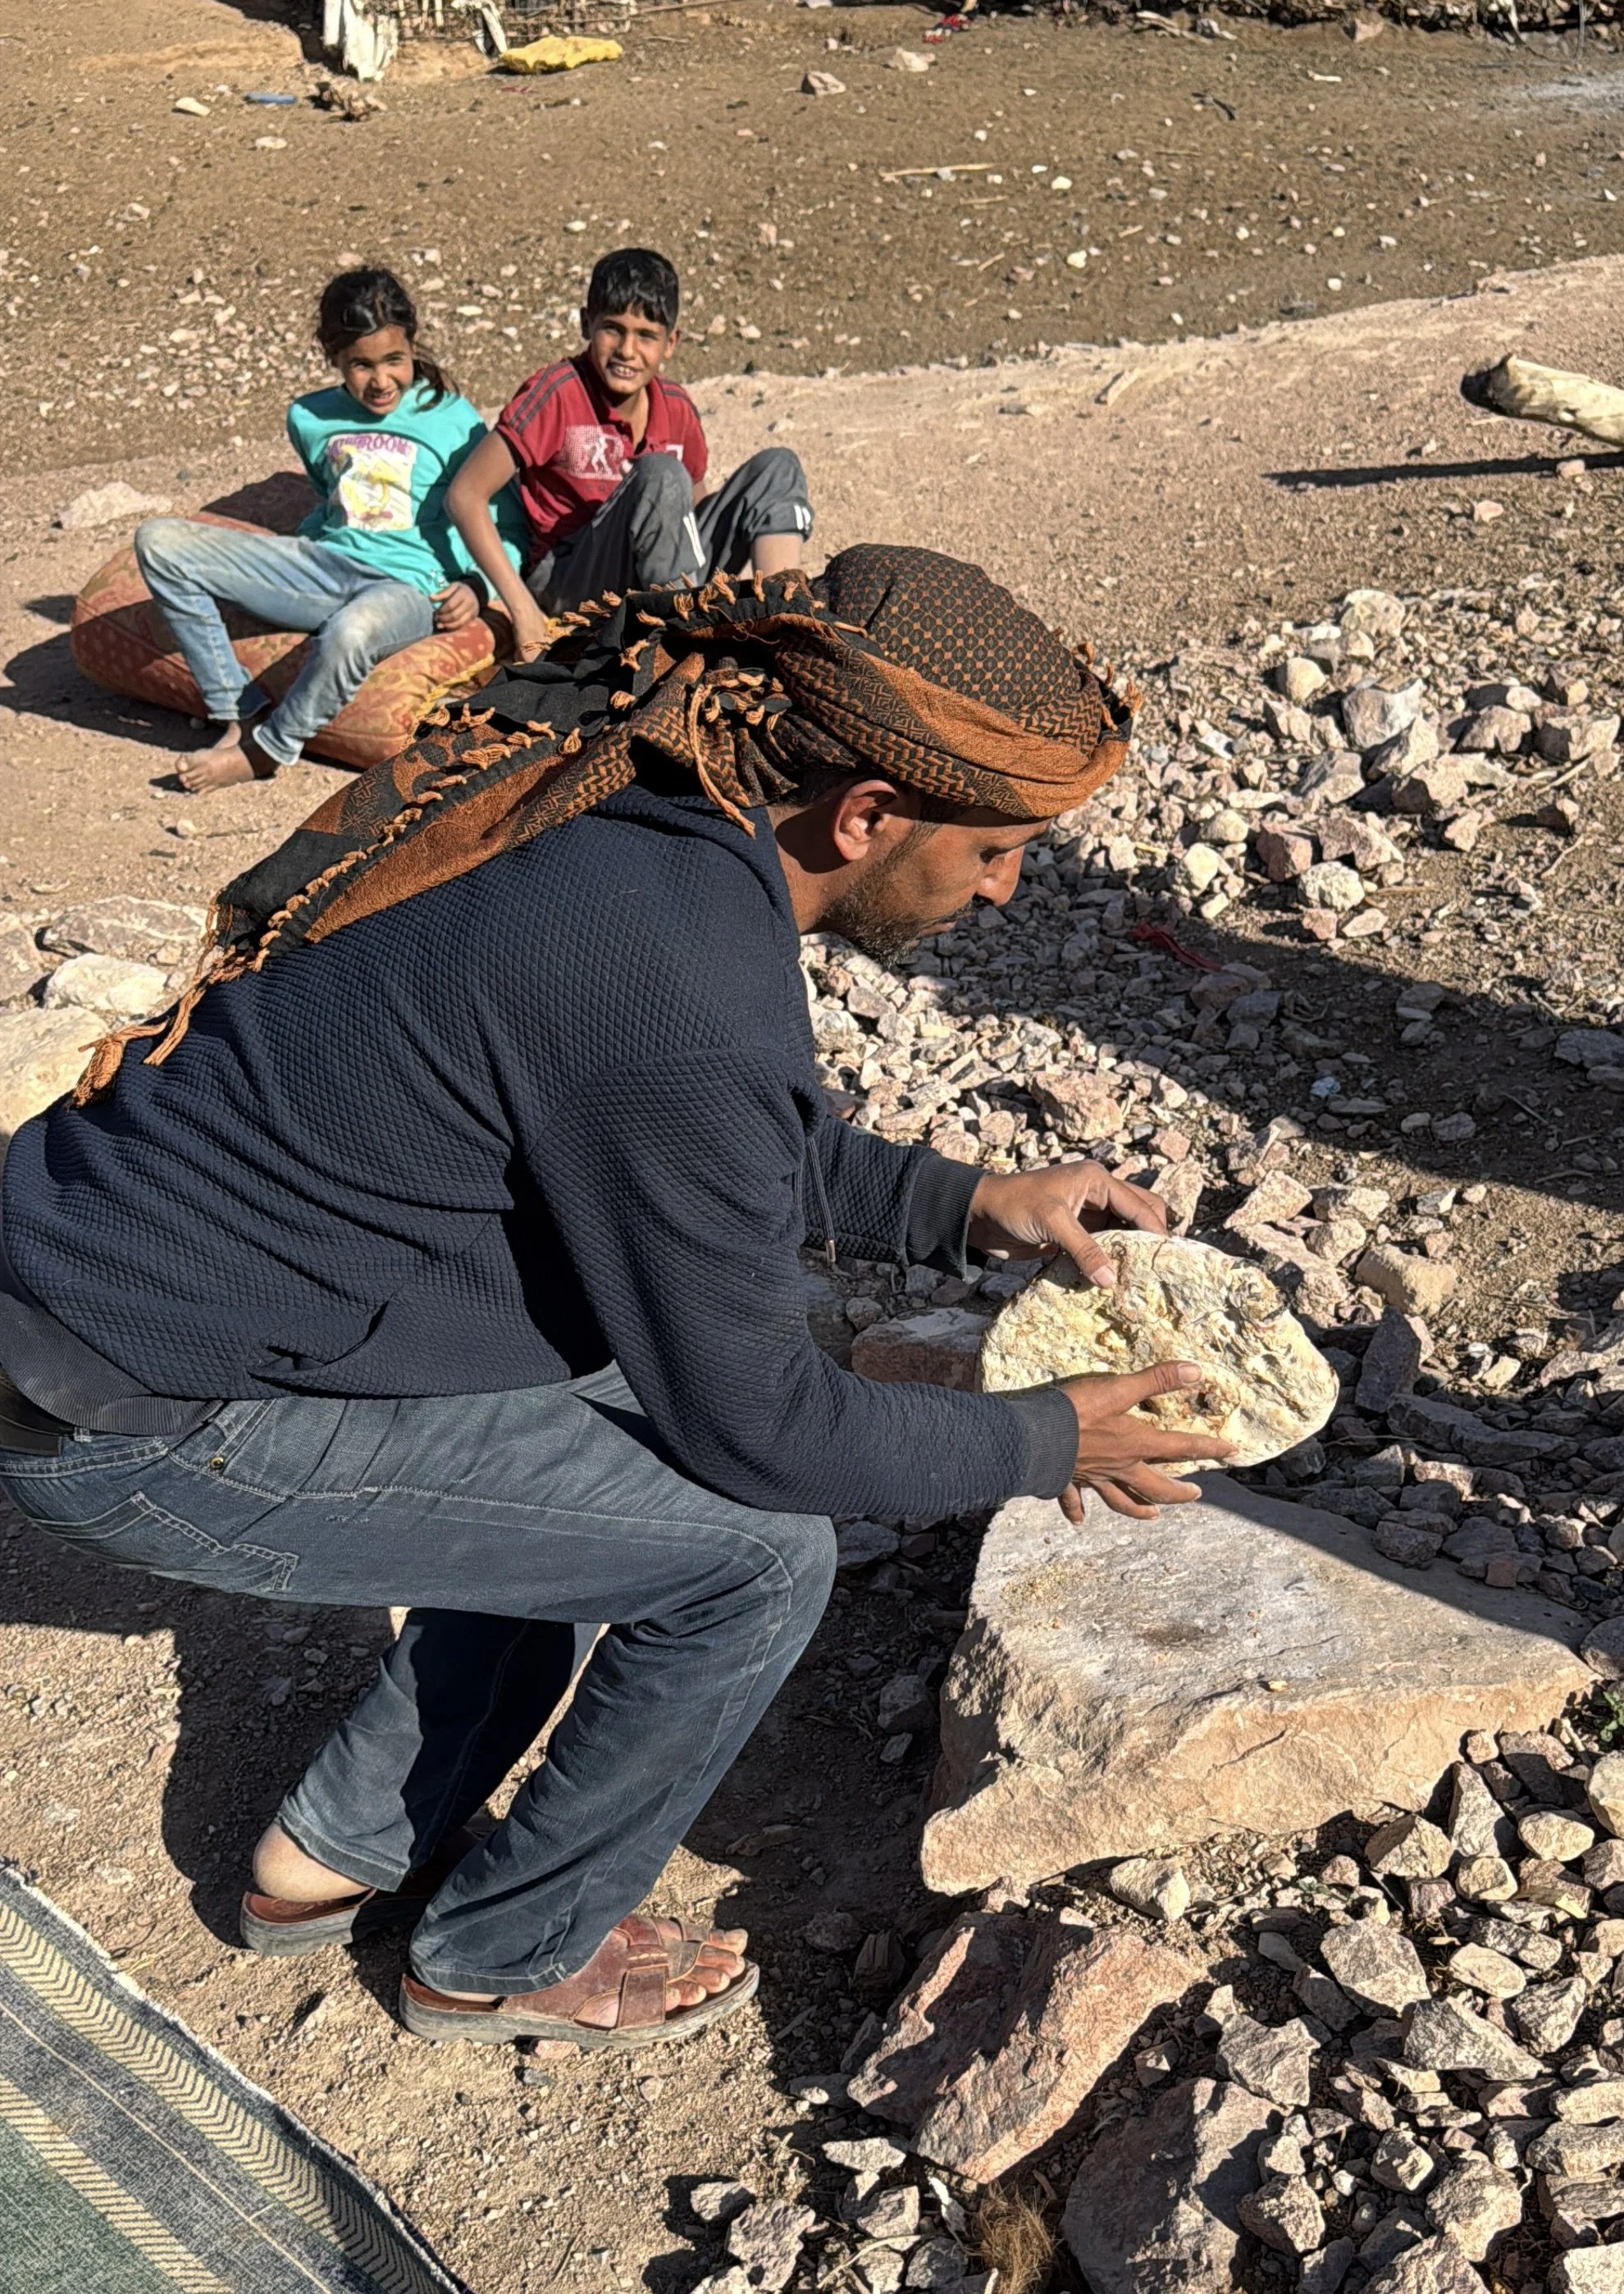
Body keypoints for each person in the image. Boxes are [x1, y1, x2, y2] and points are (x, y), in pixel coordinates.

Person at [0, 545, 1229, 2060]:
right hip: (124, 1412)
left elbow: (691, 1133)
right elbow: (768, 1430)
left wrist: (962, 1201)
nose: (1003, 887)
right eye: (996, 850)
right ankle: (499, 1958)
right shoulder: (680, 978)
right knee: (753, 1556)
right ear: (865, 814)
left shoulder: (625, 802)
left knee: (621, 1407)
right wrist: (1045, 1440)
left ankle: (334, 1853)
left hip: (99, 1277)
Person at [134, 267, 519, 794]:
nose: (380, 381)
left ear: (413, 346)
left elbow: (507, 522)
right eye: (361, 365)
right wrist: (294, 553)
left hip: (407, 589)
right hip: (324, 567)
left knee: (351, 632)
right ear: (333, 357)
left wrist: (477, 586)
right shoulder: (309, 418)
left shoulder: (451, 419)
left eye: (394, 360)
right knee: (159, 542)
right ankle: (238, 710)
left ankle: (269, 749)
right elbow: (332, 494)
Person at [445, 245, 812, 666]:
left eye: (646, 336)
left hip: (665, 576)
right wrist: (523, 610)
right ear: (586, 323)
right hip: (571, 577)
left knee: (778, 466)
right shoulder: (557, 394)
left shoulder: (676, 407)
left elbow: (690, 516)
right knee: (660, 474)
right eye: (613, 329)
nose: (627, 350)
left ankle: (783, 624)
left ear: (671, 343)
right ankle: (683, 648)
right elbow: (465, 495)